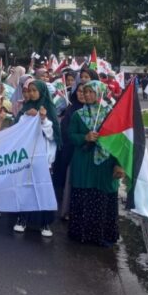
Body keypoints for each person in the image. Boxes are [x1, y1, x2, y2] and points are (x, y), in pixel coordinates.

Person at [68, 81, 126, 246]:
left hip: (106, 164)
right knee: (84, 195)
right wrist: (84, 138)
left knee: (102, 196)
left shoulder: (111, 115)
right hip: (84, 162)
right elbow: (71, 136)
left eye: (91, 92)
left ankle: (103, 236)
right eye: (85, 92)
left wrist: (119, 164)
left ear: (100, 93)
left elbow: (119, 141)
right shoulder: (78, 115)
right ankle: (82, 235)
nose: (87, 95)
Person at [14, 80, 61, 237]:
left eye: (35, 90)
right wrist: (26, 116)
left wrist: (43, 119)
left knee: (43, 188)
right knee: (26, 187)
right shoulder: (26, 108)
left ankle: (45, 222)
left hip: (44, 157)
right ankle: (23, 218)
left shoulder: (49, 108)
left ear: (42, 91)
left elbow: (53, 134)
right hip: (27, 157)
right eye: (30, 90)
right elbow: (18, 130)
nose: (32, 93)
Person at [53, 80, 87, 219]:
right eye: (79, 91)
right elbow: (66, 132)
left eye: (86, 91)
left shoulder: (98, 111)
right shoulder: (71, 110)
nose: (83, 94)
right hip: (71, 152)